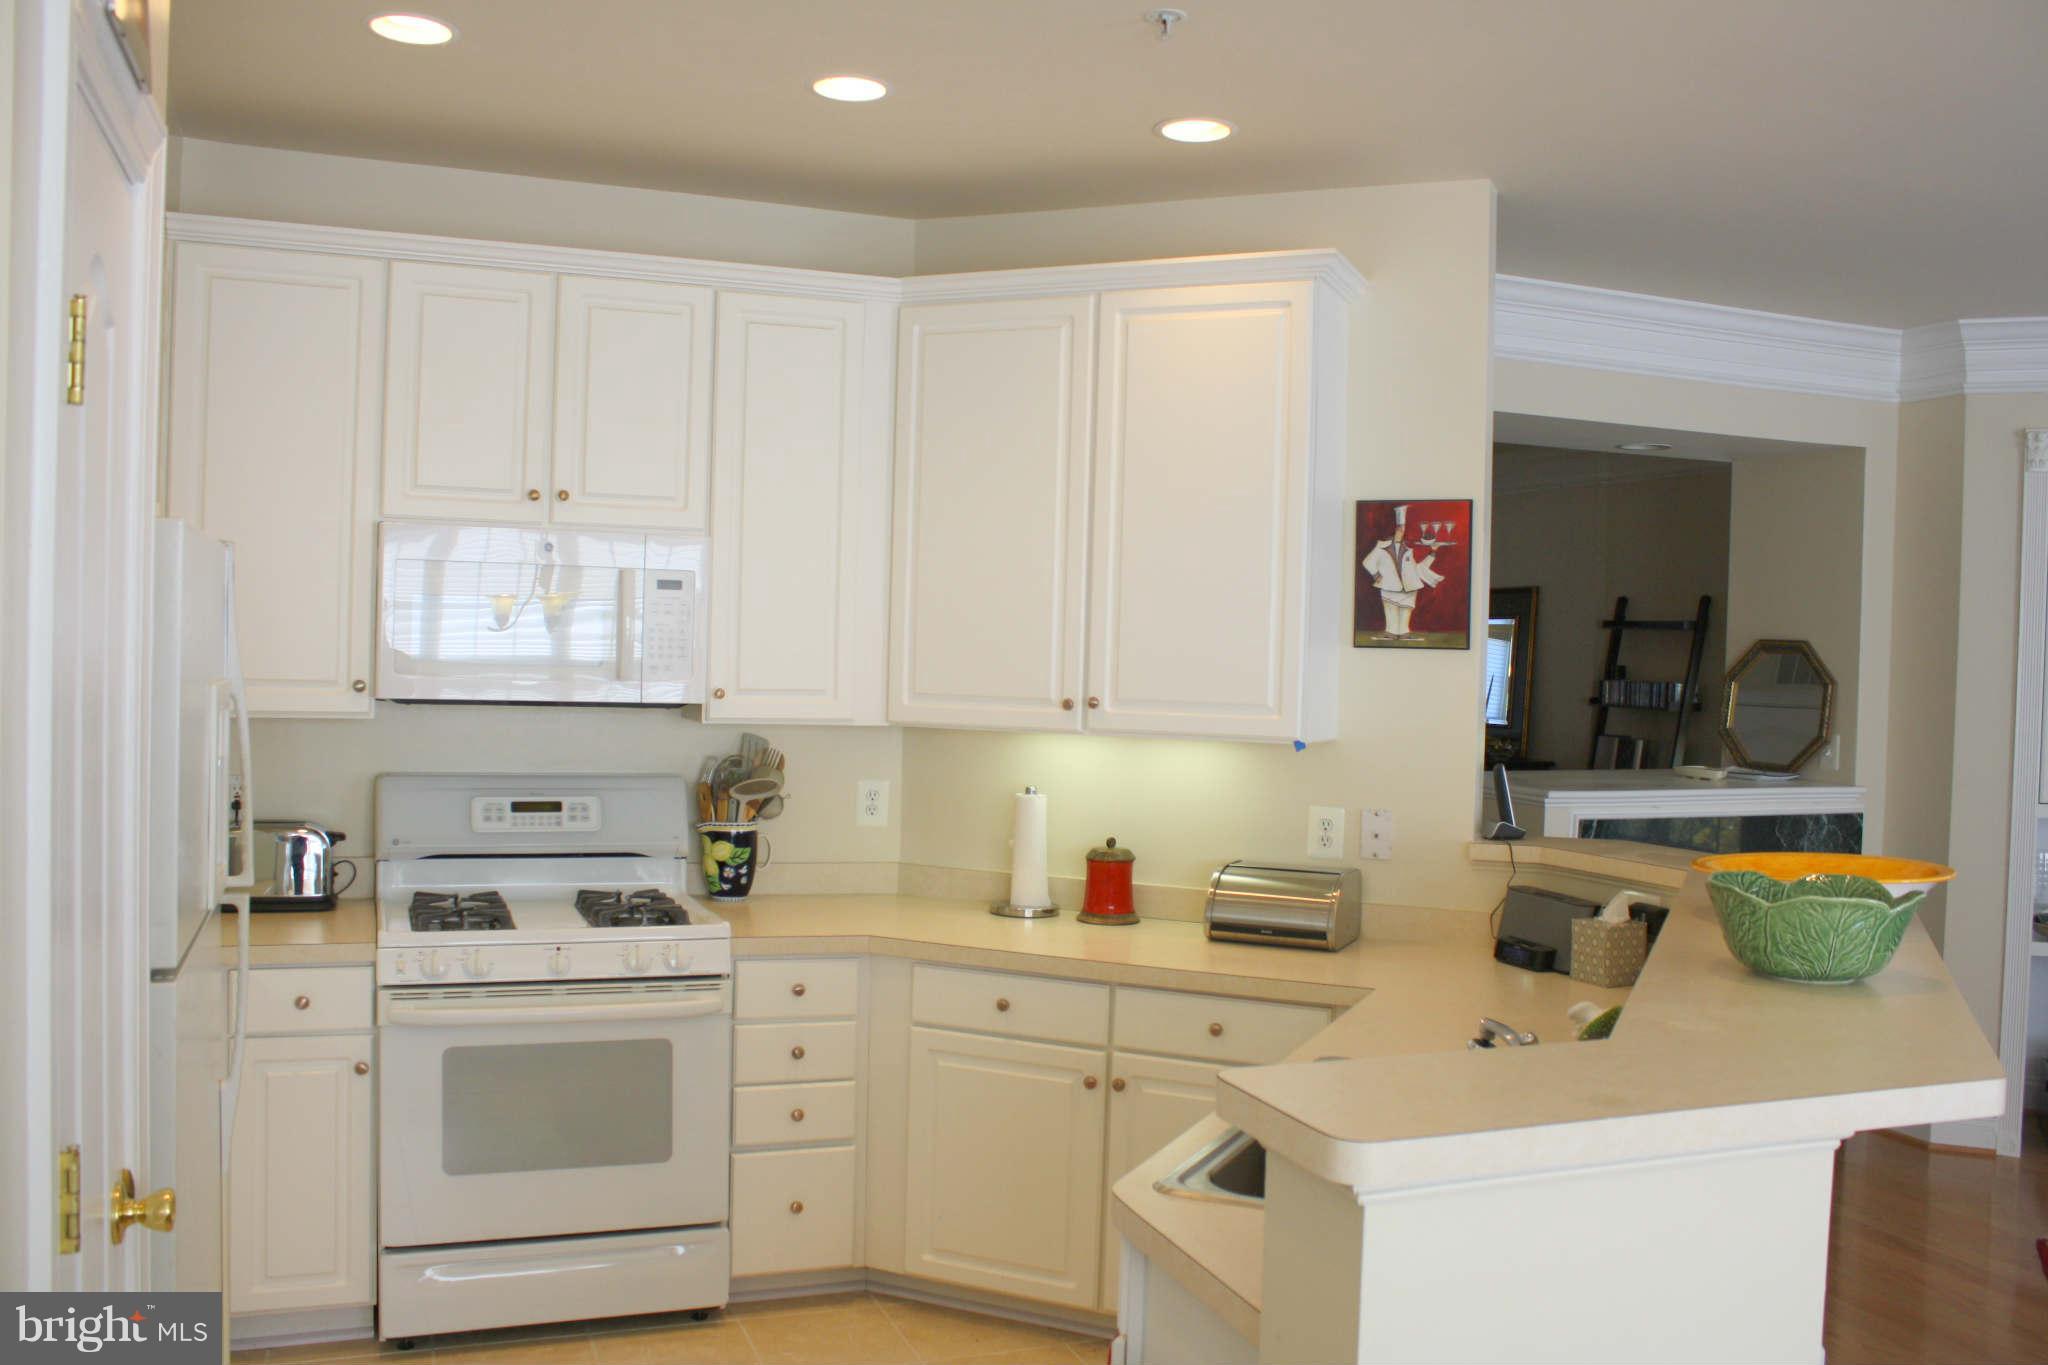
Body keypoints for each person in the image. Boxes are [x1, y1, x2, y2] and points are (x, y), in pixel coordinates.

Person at [1362, 504, 1443, 636]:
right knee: (1391, 613)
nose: (1401, 531)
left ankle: (1404, 632)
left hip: (1409, 589)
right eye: (1399, 528)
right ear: (1394, 529)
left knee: (1405, 614)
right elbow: (1367, 562)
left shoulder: (1408, 551)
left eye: (1403, 528)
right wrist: (1376, 574)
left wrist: (1432, 553)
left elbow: (1417, 569)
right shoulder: (1381, 546)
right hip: (1389, 586)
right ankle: (1391, 632)